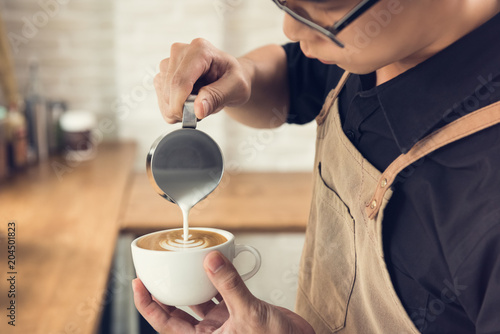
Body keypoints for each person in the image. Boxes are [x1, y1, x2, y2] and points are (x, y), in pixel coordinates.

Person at [132, 0, 500, 332]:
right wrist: (243, 75)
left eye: (327, 6)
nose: (291, 29)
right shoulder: (370, 47)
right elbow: (292, 76)